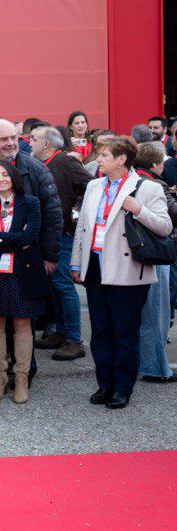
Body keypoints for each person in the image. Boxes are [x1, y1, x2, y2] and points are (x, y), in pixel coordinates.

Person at [71, 135, 172, 409]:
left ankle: (122, 388)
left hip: (128, 271)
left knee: (125, 332)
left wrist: (138, 209)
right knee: (101, 331)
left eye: (103, 156)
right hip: (96, 267)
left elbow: (164, 227)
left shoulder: (146, 188)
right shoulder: (94, 186)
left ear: (121, 159)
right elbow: (83, 227)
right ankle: (105, 384)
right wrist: (76, 262)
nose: (99, 160)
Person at [0, 159, 48, 405]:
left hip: (22, 272)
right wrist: (12, 239)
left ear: (13, 177)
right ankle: (0, 376)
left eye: (5, 175)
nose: (0, 179)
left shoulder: (31, 203)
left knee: (22, 322)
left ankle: (22, 378)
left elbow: (30, 236)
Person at [0, 118, 62, 274]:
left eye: (13, 137)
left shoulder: (36, 169)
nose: (11, 143)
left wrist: (50, 256)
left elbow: (52, 215)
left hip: (27, 255)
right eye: (4, 139)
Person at [29, 125, 92, 361]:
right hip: (49, 233)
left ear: (47, 144)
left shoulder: (64, 161)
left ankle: (74, 340)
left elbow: (91, 184)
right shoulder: (43, 164)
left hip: (63, 231)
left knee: (63, 283)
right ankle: (62, 332)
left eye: (33, 139)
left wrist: (75, 209)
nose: (30, 142)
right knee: (55, 283)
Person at [132, 141, 177, 383]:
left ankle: (145, 363)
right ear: (154, 163)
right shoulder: (153, 184)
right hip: (154, 252)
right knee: (156, 313)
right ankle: (156, 368)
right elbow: (169, 217)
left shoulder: (131, 180)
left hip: (135, 252)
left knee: (142, 313)